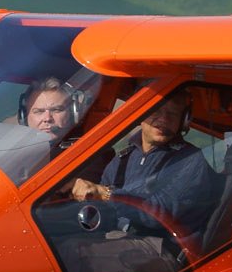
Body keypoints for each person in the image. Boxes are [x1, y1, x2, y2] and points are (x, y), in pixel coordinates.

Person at [72, 90, 219, 240]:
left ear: (184, 120)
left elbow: (163, 213)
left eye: (173, 113)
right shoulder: (122, 159)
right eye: (156, 110)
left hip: (163, 248)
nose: (164, 119)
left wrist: (108, 194)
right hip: (123, 239)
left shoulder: (190, 160)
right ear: (140, 114)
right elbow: (103, 208)